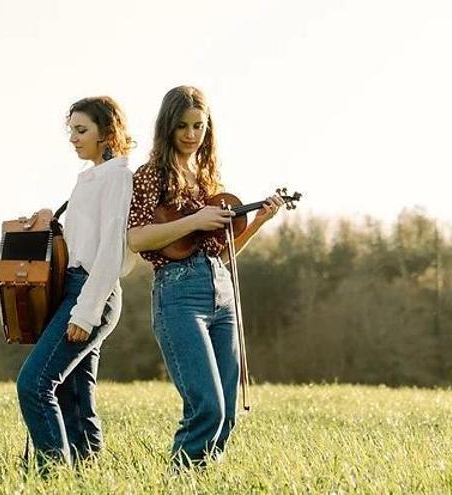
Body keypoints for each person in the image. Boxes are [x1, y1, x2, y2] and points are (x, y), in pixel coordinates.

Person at [127, 85, 284, 469]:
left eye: (199, 126)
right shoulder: (151, 175)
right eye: (182, 126)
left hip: (220, 290)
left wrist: (259, 222)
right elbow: (136, 236)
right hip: (178, 293)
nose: (191, 135)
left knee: (227, 414)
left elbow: (224, 253)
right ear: (167, 127)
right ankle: (178, 481)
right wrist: (194, 220)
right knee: (207, 409)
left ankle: (203, 480)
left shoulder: (208, 178)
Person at [16, 96, 135, 469]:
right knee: (74, 397)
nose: (74, 139)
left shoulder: (117, 175)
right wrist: (55, 219)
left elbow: (110, 250)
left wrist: (85, 312)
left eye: (81, 130)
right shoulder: (92, 176)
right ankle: (87, 475)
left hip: (92, 293)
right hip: (75, 288)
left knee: (34, 385)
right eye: (71, 131)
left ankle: (54, 477)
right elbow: (83, 241)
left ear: (108, 132)